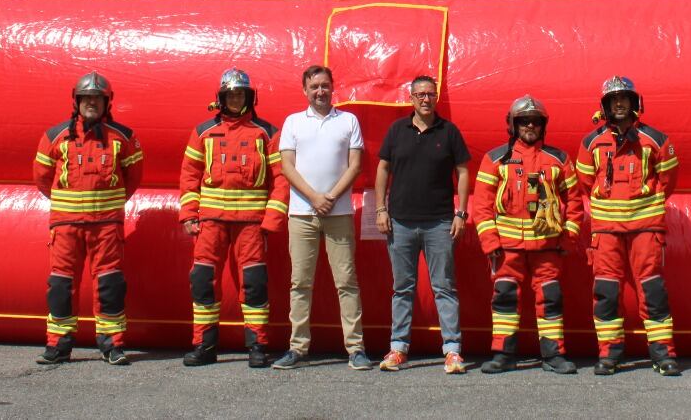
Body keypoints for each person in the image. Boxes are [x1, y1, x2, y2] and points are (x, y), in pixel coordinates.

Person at [179, 68, 290, 368]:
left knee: (254, 283)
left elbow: (281, 179)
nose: (235, 98)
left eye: (240, 93)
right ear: (221, 98)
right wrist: (189, 214)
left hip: (252, 225)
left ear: (249, 97)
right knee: (202, 281)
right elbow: (189, 176)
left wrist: (272, 220)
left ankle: (258, 345)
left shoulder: (267, 133)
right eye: (230, 94)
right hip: (210, 223)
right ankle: (204, 345)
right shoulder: (203, 132)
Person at [32, 71, 144, 366]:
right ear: (77, 101)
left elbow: (132, 179)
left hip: (106, 226)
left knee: (109, 284)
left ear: (106, 102)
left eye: (97, 98)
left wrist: (107, 206)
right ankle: (58, 345)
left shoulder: (124, 137)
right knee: (60, 285)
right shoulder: (55, 136)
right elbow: (42, 179)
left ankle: (112, 345)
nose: (91, 103)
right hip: (65, 226)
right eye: (86, 98)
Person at [468, 95, 583, 375]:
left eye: (535, 121)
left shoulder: (559, 159)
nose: (530, 125)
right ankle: (503, 354)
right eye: (524, 121)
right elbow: (481, 205)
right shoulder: (495, 159)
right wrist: (490, 241)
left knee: (550, 297)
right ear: (513, 125)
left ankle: (554, 355)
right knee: (505, 298)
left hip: (548, 246)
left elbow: (576, 201)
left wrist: (568, 238)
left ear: (543, 126)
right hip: (507, 248)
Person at [575, 76, 681, 376]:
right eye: (613, 99)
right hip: (606, 231)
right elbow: (586, 182)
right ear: (605, 105)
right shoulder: (591, 143)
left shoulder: (656, 140)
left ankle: (663, 355)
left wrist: (644, 205)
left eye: (624, 98)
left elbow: (667, 181)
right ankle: (610, 355)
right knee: (607, 292)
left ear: (635, 104)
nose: (619, 103)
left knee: (654, 291)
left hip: (646, 228)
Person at [272, 64, 370, 370]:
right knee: (300, 282)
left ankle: (356, 348)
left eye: (325, 85)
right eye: (314, 86)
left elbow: (354, 165)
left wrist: (330, 197)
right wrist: (315, 198)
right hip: (301, 213)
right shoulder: (292, 122)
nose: (320, 91)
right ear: (305, 90)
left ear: (332, 87)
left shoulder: (348, 121)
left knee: (347, 282)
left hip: (338, 212)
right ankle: (297, 347)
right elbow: (287, 166)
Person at [373, 74, 472, 374]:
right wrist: (380, 209)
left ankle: (452, 351)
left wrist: (461, 213)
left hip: (440, 222)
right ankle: (398, 348)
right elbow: (382, 169)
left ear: (436, 96)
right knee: (402, 287)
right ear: (411, 98)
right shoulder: (396, 130)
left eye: (430, 94)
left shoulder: (449, 131)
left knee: (444, 287)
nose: (425, 99)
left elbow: (464, 172)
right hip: (400, 222)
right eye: (420, 94)